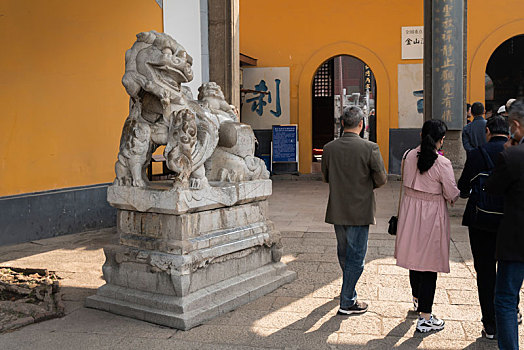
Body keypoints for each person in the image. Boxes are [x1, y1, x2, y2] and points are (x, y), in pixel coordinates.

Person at [394, 119, 460, 333]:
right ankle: (425, 317)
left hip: (410, 211)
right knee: (430, 264)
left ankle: (417, 300)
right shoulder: (443, 164)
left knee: (415, 258)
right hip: (431, 214)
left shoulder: (407, 156)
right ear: (441, 140)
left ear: (422, 135)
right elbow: (452, 194)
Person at [321, 106, 387, 316]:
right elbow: (381, 178)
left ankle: (348, 287)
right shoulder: (370, 148)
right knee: (357, 256)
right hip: (361, 209)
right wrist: (366, 187)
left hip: (338, 208)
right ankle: (347, 300)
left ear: (342, 124)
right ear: (362, 124)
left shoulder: (329, 148)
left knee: (344, 251)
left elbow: (326, 176)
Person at [457, 116, 509, 340]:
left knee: (486, 272)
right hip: (511, 223)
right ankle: (508, 317)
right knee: (508, 272)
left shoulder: (477, 154)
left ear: (488, 131)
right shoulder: (516, 153)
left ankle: (490, 325)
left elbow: (462, 188)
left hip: (482, 222)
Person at [486, 100, 524, 350]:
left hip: (516, 240)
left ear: (516, 126)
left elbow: (492, 188)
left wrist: (509, 148)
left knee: (506, 299)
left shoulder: (512, 155)